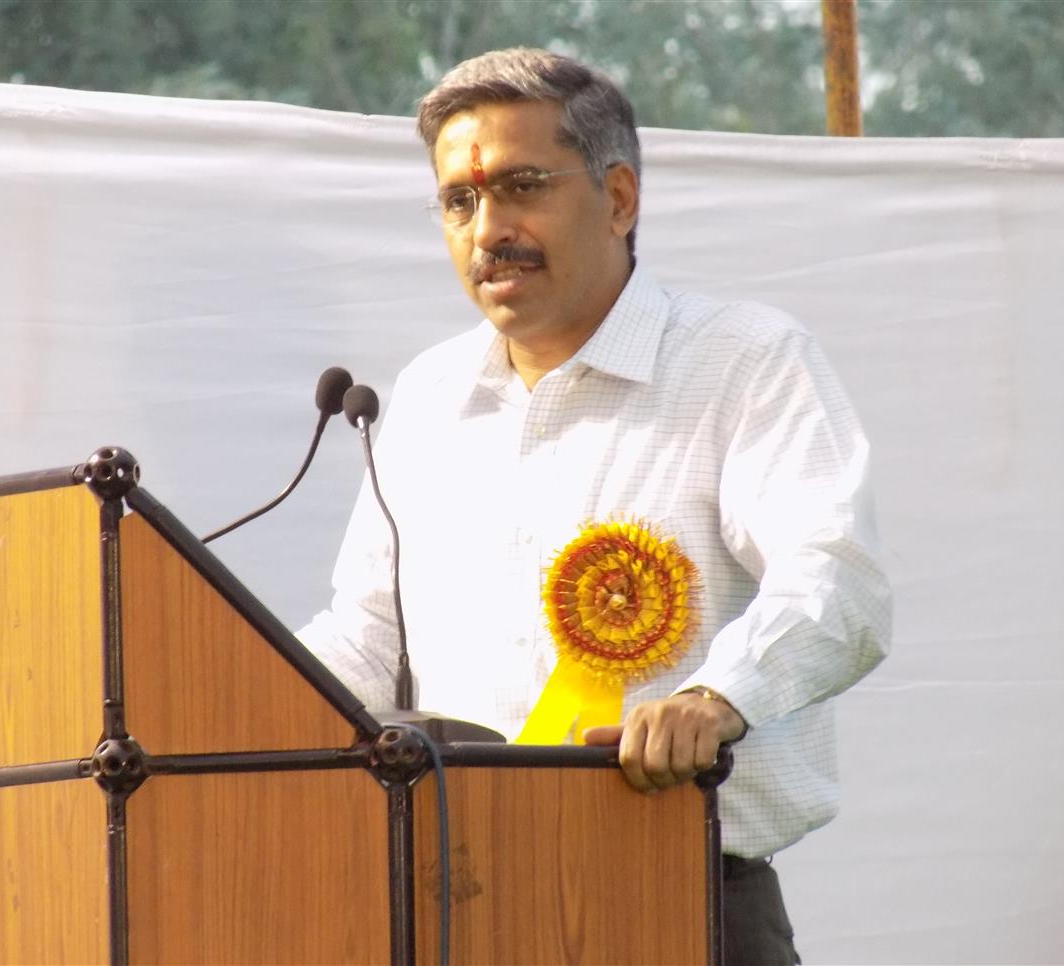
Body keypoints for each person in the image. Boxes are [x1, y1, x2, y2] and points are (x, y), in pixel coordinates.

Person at [299, 47, 891, 964]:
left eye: (521, 187)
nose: (488, 230)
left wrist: (714, 698)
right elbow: (370, 640)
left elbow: (838, 578)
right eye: (458, 201)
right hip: (455, 905)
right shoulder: (427, 395)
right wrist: (228, 699)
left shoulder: (742, 360)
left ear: (619, 199)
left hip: (681, 899)